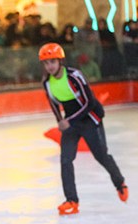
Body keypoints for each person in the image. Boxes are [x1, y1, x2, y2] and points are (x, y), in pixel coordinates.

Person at [38, 43, 128, 215]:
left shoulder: (74, 76)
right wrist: (60, 121)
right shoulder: (47, 82)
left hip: (90, 118)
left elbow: (90, 102)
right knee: (65, 160)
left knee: (101, 155)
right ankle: (72, 200)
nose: (49, 66)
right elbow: (53, 104)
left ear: (60, 61)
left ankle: (120, 183)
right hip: (71, 122)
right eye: (46, 63)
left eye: (52, 62)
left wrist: (68, 120)